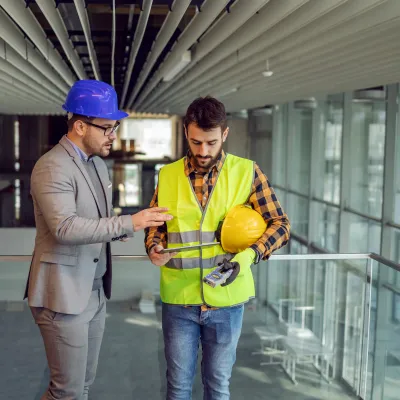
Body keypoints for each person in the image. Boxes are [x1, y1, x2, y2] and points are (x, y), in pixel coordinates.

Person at [24, 79, 172, 400]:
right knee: (66, 392)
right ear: (80, 125)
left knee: (83, 387)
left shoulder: (99, 167)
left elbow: (97, 223)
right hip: (63, 296)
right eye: (106, 128)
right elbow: (65, 228)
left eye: (114, 127)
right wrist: (130, 223)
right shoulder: (52, 167)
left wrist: (118, 230)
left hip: (94, 293)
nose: (113, 136)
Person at [145, 96, 291, 400]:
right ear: (186, 131)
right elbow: (155, 225)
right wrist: (154, 246)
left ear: (224, 134)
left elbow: (280, 224)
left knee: (218, 387)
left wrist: (248, 256)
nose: (203, 151)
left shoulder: (248, 172)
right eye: (196, 142)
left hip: (227, 301)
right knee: (178, 388)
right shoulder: (167, 175)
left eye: (211, 142)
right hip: (179, 300)